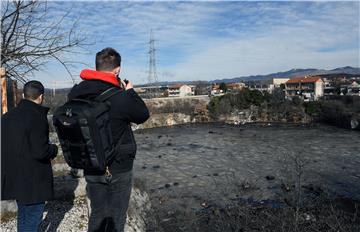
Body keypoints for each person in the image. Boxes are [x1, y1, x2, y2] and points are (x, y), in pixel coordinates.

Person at [67, 47, 149, 232]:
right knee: (116, 216)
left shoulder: (76, 94)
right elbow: (143, 114)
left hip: (90, 162)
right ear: (117, 70)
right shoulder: (121, 97)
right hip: (118, 166)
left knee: (97, 213)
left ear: (96, 68)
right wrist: (130, 92)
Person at [1, 80, 58, 231]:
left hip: (15, 176)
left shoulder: (8, 117)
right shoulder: (37, 117)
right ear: (41, 97)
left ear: (23, 95)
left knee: (24, 216)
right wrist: (54, 150)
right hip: (33, 179)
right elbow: (41, 151)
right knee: (33, 218)